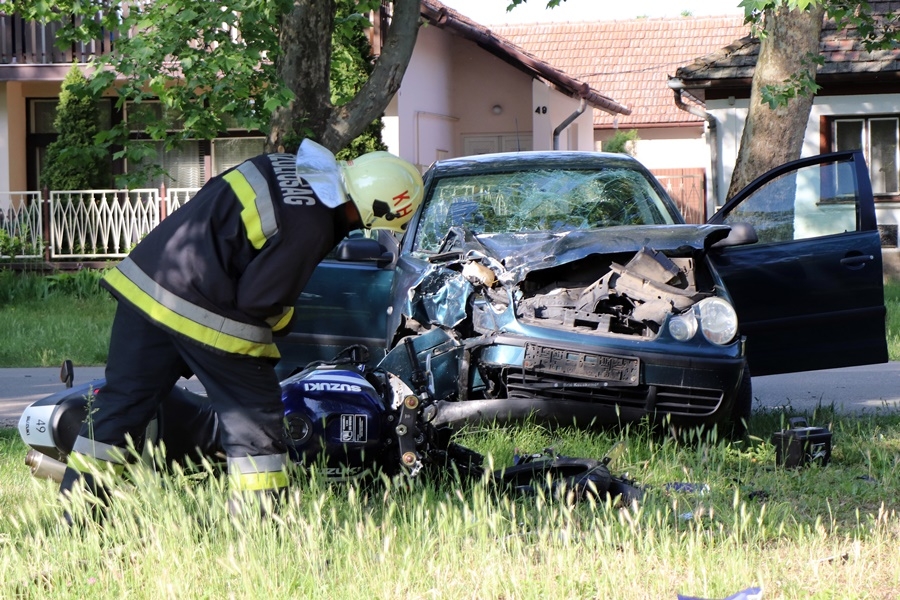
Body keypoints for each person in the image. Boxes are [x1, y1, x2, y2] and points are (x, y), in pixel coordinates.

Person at [59, 139, 424, 517]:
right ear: (371, 208)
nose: (355, 227)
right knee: (256, 422)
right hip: (206, 310)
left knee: (119, 408)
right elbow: (260, 302)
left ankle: (76, 519)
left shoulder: (281, 164)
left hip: (146, 287)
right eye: (363, 222)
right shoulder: (313, 224)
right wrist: (287, 321)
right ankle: (260, 528)